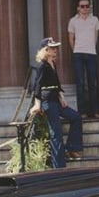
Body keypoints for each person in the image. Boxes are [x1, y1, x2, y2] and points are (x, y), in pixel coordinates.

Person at [28, 37, 84, 167]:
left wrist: (62, 97)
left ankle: (72, 148)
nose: (55, 50)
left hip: (56, 99)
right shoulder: (42, 65)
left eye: (55, 48)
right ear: (46, 50)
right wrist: (37, 104)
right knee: (56, 133)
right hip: (47, 101)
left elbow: (57, 83)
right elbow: (37, 86)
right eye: (52, 48)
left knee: (76, 117)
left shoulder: (53, 63)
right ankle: (59, 167)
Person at [67, 0, 99, 118]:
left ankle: (95, 111)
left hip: (91, 53)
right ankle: (81, 112)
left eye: (87, 6)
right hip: (78, 54)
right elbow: (71, 38)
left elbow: (95, 37)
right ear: (78, 8)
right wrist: (76, 50)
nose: (85, 8)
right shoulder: (73, 21)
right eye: (82, 6)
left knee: (93, 83)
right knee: (80, 83)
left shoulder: (95, 20)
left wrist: (90, 47)